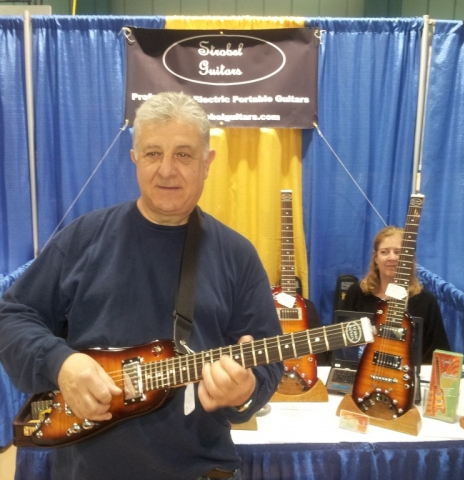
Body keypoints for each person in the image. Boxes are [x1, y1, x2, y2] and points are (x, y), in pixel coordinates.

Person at [0, 92, 284, 480]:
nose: (166, 170)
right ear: (135, 160)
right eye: (153, 153)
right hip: (86, 470)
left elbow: (268, 363)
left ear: (207, 162)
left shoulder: (238, 255)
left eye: (183, 155)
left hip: (199, 470)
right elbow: (12, 316)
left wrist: (245, 391)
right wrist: (60, 362)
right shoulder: (83, 238)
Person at [343, 225, 450, 364]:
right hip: (360, 374)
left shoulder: (426, 301)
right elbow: (342, 347)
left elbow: (438, 353)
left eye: (398, 252)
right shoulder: (356, 293)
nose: (392, 258)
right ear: (375, 258)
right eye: (384, 252)